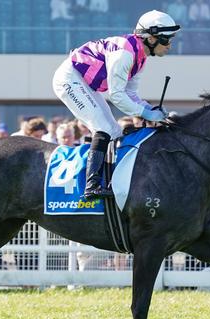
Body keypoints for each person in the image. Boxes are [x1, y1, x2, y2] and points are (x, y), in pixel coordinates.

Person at [52, 10, 180, 199]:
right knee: (103, 127)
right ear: (151, 38)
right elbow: (117, 96)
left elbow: (130, 94)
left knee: (113, 131)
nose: (170, 44)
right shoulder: (125, 55)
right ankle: (91, 185)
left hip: (84, 82)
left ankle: (105, 178)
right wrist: (146, 114)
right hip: (70, 78)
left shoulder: (140, 57)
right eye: (166, 39)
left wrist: (150, 109)